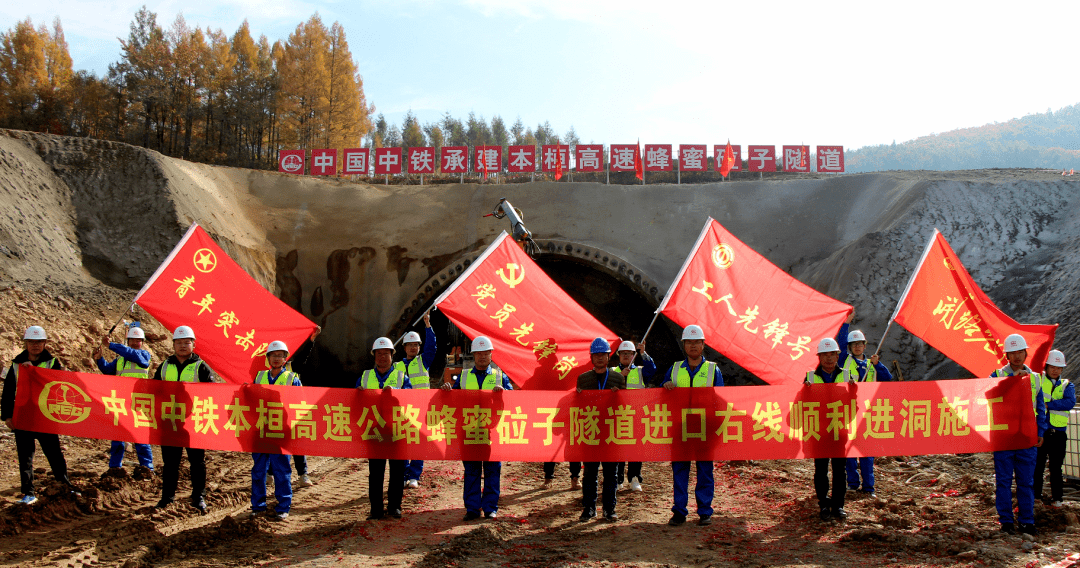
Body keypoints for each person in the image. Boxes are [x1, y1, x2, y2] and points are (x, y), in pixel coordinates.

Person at [1, 326, 78, 505]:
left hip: (46, 417)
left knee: (54, 454)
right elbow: (8, 392)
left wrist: (34, 371)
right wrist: (6, 416)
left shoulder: (52, 363)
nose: (35, 345)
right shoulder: (16, 364)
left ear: (45, 343)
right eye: (31, 342)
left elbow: (60, 385)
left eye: (39, 342)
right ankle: (28, 492)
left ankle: (64, 485)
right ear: (25, 343)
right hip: (24, 416)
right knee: (25, 456)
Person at [441, 336, 513, 520]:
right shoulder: (464, 376)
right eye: (478, 353)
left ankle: (490, 508)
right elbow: (453, 400)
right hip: (470, 431)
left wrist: (503, 392)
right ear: (473, 355)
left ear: (491, 355)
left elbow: (514, 399)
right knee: (471, 470)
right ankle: (472, 509)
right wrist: (448, 389)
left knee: (492, 470)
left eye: (485, 353)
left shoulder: (499, 376)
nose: (482, 356)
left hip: (492, 432)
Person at [660, 324, 724, 526]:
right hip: (680, 428)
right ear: (684, 345)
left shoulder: (713, 369)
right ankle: (679, 511)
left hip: (705, 428)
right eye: (689, 342)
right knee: (680, 471)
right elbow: (663, 394)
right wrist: (666, 385)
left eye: (697, 342)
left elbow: (721, 399)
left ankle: (705, 511)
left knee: (705, 470)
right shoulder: (675, 368)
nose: (693, 345)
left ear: (703, 345)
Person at [153, 325, 216, 513]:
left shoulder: (201, 366)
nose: (182, 346)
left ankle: (198, 497)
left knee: (197, 462)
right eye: (179, 343)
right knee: (170, 463)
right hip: (171, 423)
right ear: (173, 344)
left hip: (193, 422)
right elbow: (154, 391)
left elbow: (213, 393)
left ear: (193, 345)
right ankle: (167, 498)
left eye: (186, 342)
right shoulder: (165, 365)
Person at [989, 333, 1047, 535]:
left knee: (1026, 482)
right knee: (1003, 481)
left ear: (1025, 353)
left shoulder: (1035, 379)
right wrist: (1008, 383)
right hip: (1004, 438)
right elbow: (986, 398)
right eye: (1012, 353)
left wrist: (1040, 431)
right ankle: (1006, 521)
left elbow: (1040, 408)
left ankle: (1026, 521)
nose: (1017, 357)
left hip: (1026, 438)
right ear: (1007, 355)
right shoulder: (996, 376)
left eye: (1020, 352)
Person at [836, 322, 893, 497]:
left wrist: (878, 365)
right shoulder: (845, 360)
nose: (858, 346)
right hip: (850, 410)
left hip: (867, 412)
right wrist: (845, 324)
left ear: (864, 345)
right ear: (850, 347)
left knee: (867, 451)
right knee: (850, 451)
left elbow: (887, 379)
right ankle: (853, 483)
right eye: (854, 344)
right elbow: (840, 341)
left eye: (860, 344)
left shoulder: (871, 363)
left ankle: (869, 488)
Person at [357, 336, 410, 520]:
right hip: (374, 432)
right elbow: (355, 401)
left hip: (396, 430)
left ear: (392, 356)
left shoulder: (402, 377)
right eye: (379, 354)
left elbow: (412, 401)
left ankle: (395, 507)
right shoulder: (365, 376)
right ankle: (376, 509)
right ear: (374, 356)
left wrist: (397, 395)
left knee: (397, 471)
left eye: (386, 354)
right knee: (376, 473)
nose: (382, 357)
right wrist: (360, 395)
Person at [250, 340, 302, 521]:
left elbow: (299, 402)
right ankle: (258, 505)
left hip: (281, 431)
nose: (277, 358)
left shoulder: (292, 378)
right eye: (273, 355)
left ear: (285, 358)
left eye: (280, 355)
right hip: (261, 430)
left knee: (281, 470)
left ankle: (283, 506)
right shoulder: (259, 377)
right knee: (258, 470)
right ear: (268, 358)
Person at [805, 337, 856, 521]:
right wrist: (806, 390)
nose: (828, 358)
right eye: (824, 355)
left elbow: (855, 404)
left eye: (832, 354)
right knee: (820, 470)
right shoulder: (810, 377)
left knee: (839, 470)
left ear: (837, 355)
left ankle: (838, 505)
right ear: (818, 356)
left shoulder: (848, 375)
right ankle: (823, 503)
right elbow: (801, 403)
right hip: (818, 431)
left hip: (839, 430)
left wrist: (853, 390)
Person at [577, 338, 626, 522]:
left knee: (611, 474)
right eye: (596, 355)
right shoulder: (583, 379)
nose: (599, 358)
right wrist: (579, 396)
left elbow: (625, 406)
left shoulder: (617, 378)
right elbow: (577, 407)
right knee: (589, 473)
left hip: (611, 432)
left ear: (608, 356)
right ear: (591, 357)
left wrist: (617, 396)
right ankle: (588, 508)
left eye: (603, 355)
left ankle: (609, 509)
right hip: (590, 433)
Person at [95, 324, 155, 474]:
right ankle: (115, 467)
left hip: (138, 402)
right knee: (117, 437)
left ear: (142, 342)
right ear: (128, 341)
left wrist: (111, 345)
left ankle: (147, 468)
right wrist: (99, 359)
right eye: (132, 340)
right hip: (122, 402)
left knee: (140, 437)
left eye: (138, 340)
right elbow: (108, 371)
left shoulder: (144, 356)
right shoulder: (120, 360)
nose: (135, 343)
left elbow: (132, 354)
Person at [399, 312, 436, 489]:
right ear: (404, 347)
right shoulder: (396, 366)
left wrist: (427, 325)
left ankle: (414, 475)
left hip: (421, 408)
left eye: (416, 345)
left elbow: (432, 347)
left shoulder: (423, 361)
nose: (413, 348)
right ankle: (404, 473)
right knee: (403, 442)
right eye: (410, 345)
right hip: (402, 410)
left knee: (418, 443)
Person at [613, 340, 655, 492]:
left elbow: (652, 369)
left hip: (637, 416)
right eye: (623, 353)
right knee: (618, 450)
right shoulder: (612, 371)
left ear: (633, 355)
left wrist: (644, 353)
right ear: (618, 355)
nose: (626, 356)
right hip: (617, 416)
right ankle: (617, 480)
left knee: (636, 449)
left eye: (629, 353)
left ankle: (634, 478)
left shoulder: (640, 371)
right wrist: (619, 376)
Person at [1035, 350, 1073, 507]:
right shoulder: (1039, 381)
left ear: (1062, 369)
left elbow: (1069, 402)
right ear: (1046, 366)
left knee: (1056, 468)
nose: (1055, 370)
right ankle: (1036, 497)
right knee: (1038, 466)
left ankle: (1057, 499)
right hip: (1041, 432)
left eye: (1058, 367)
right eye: (1052, 366)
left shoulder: (1067, 385)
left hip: (1058, 434)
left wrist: (1048, 405)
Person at [286, 326, 321, 489]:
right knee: (273, 446)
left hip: (292, 412)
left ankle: (303, 475)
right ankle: (270, 474)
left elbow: (303, 357)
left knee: (297, 445)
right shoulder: (264, 373)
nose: (278, 358)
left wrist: (311, 340)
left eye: (281, 355)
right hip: (273, 414)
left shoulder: (292, 368)